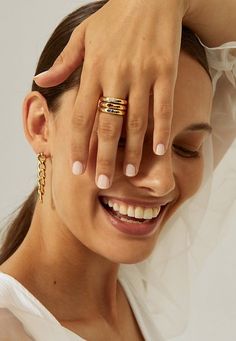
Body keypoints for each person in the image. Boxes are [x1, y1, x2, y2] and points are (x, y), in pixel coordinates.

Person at [0, 1, 235, 340]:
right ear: (40, 125)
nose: (161, 180)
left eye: (187, 148)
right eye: (123, 140)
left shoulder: (136, 284)